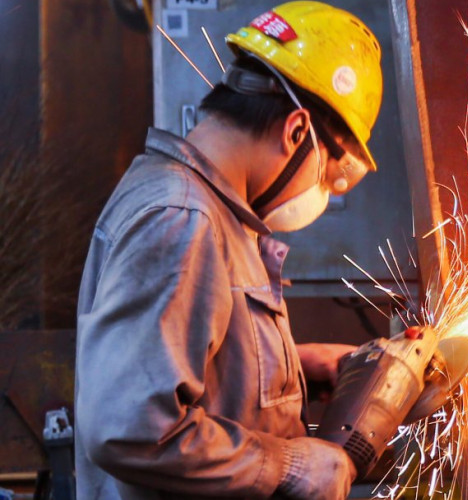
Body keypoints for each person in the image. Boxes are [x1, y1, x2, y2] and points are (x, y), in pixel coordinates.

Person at [75, 2, 384, 498]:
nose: (325, 193)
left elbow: (184, 364)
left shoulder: (211, 214)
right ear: (296, 131)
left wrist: (295, 369)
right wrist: (288, 466)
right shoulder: (181, 218)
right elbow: (130, 427)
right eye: (330, 174)